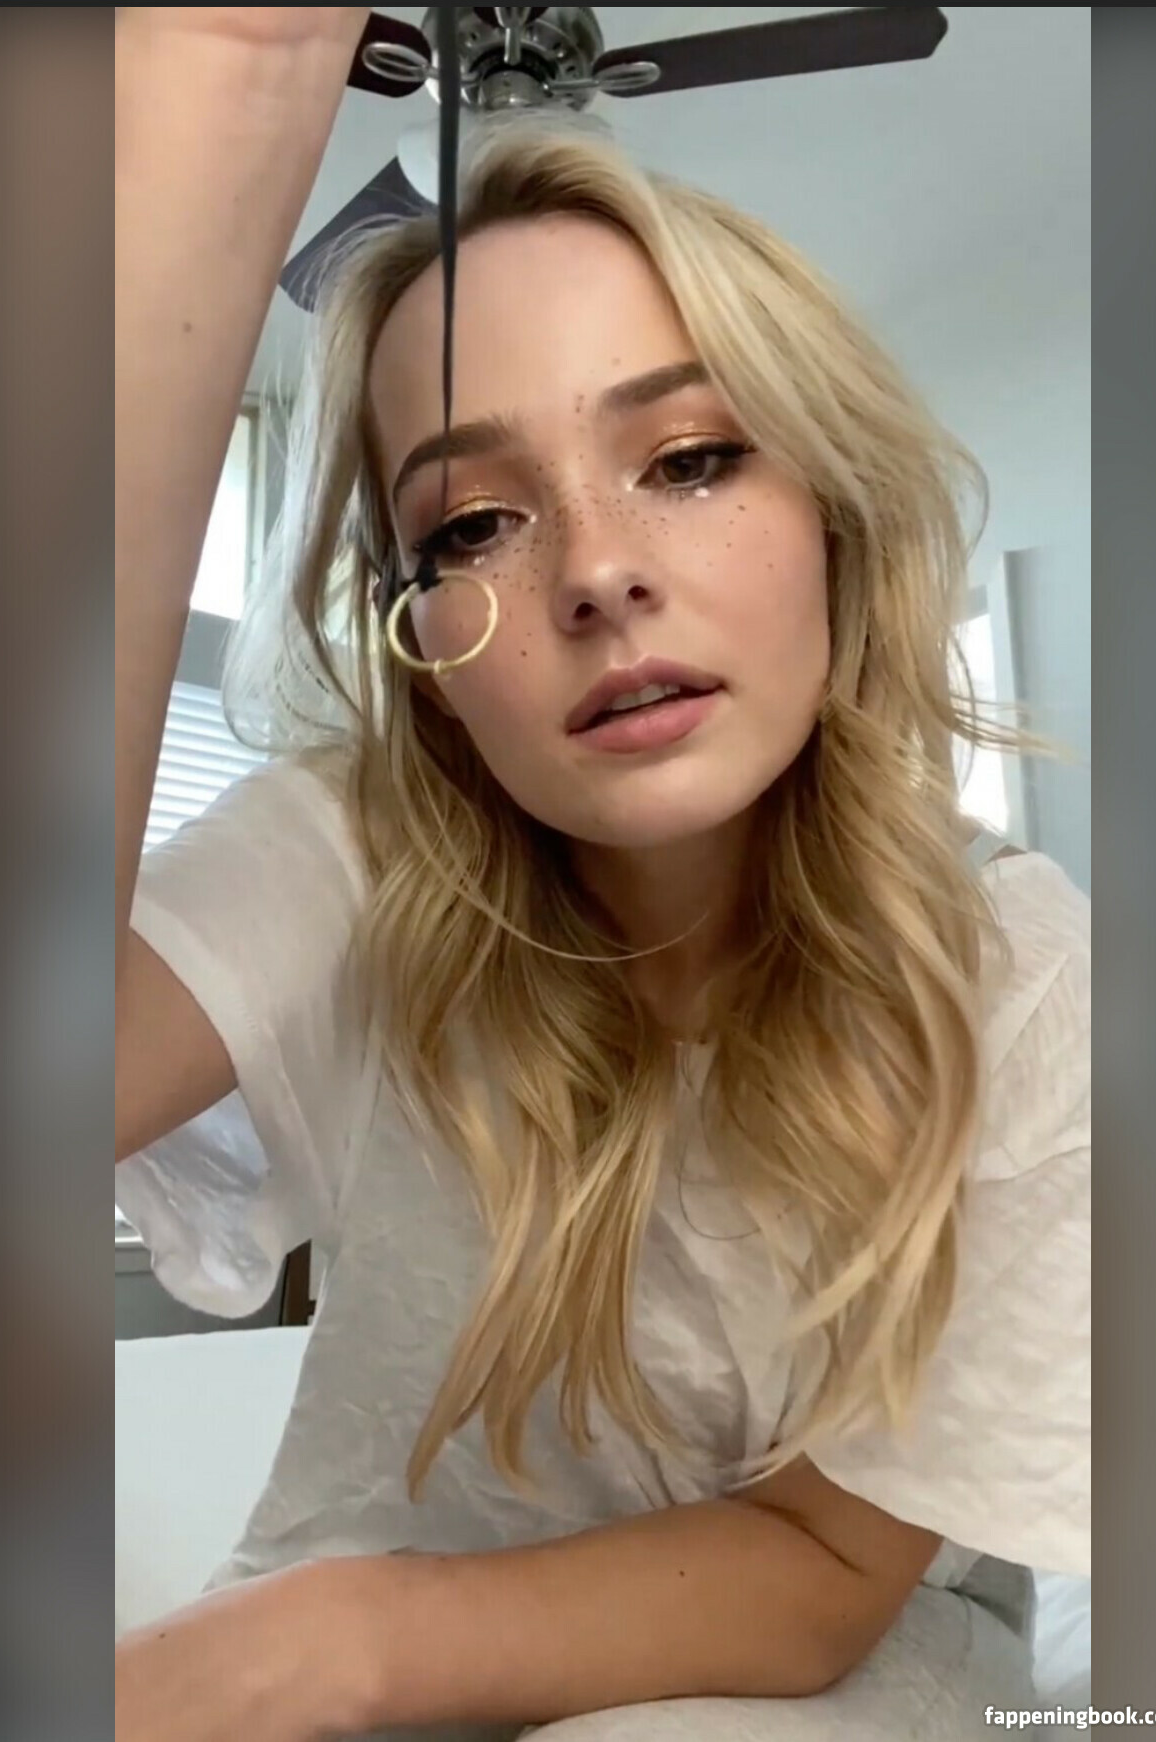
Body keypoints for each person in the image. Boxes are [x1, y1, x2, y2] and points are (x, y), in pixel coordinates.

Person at [114, 10, 1090, 1741]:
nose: (596, 574)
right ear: (422, 648)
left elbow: (820, 1568)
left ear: (834, 516)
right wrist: (203, 131)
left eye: (690, 458)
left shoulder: (1016, 973)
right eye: (470, 524)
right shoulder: (359, 849)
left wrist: (311, 1642)